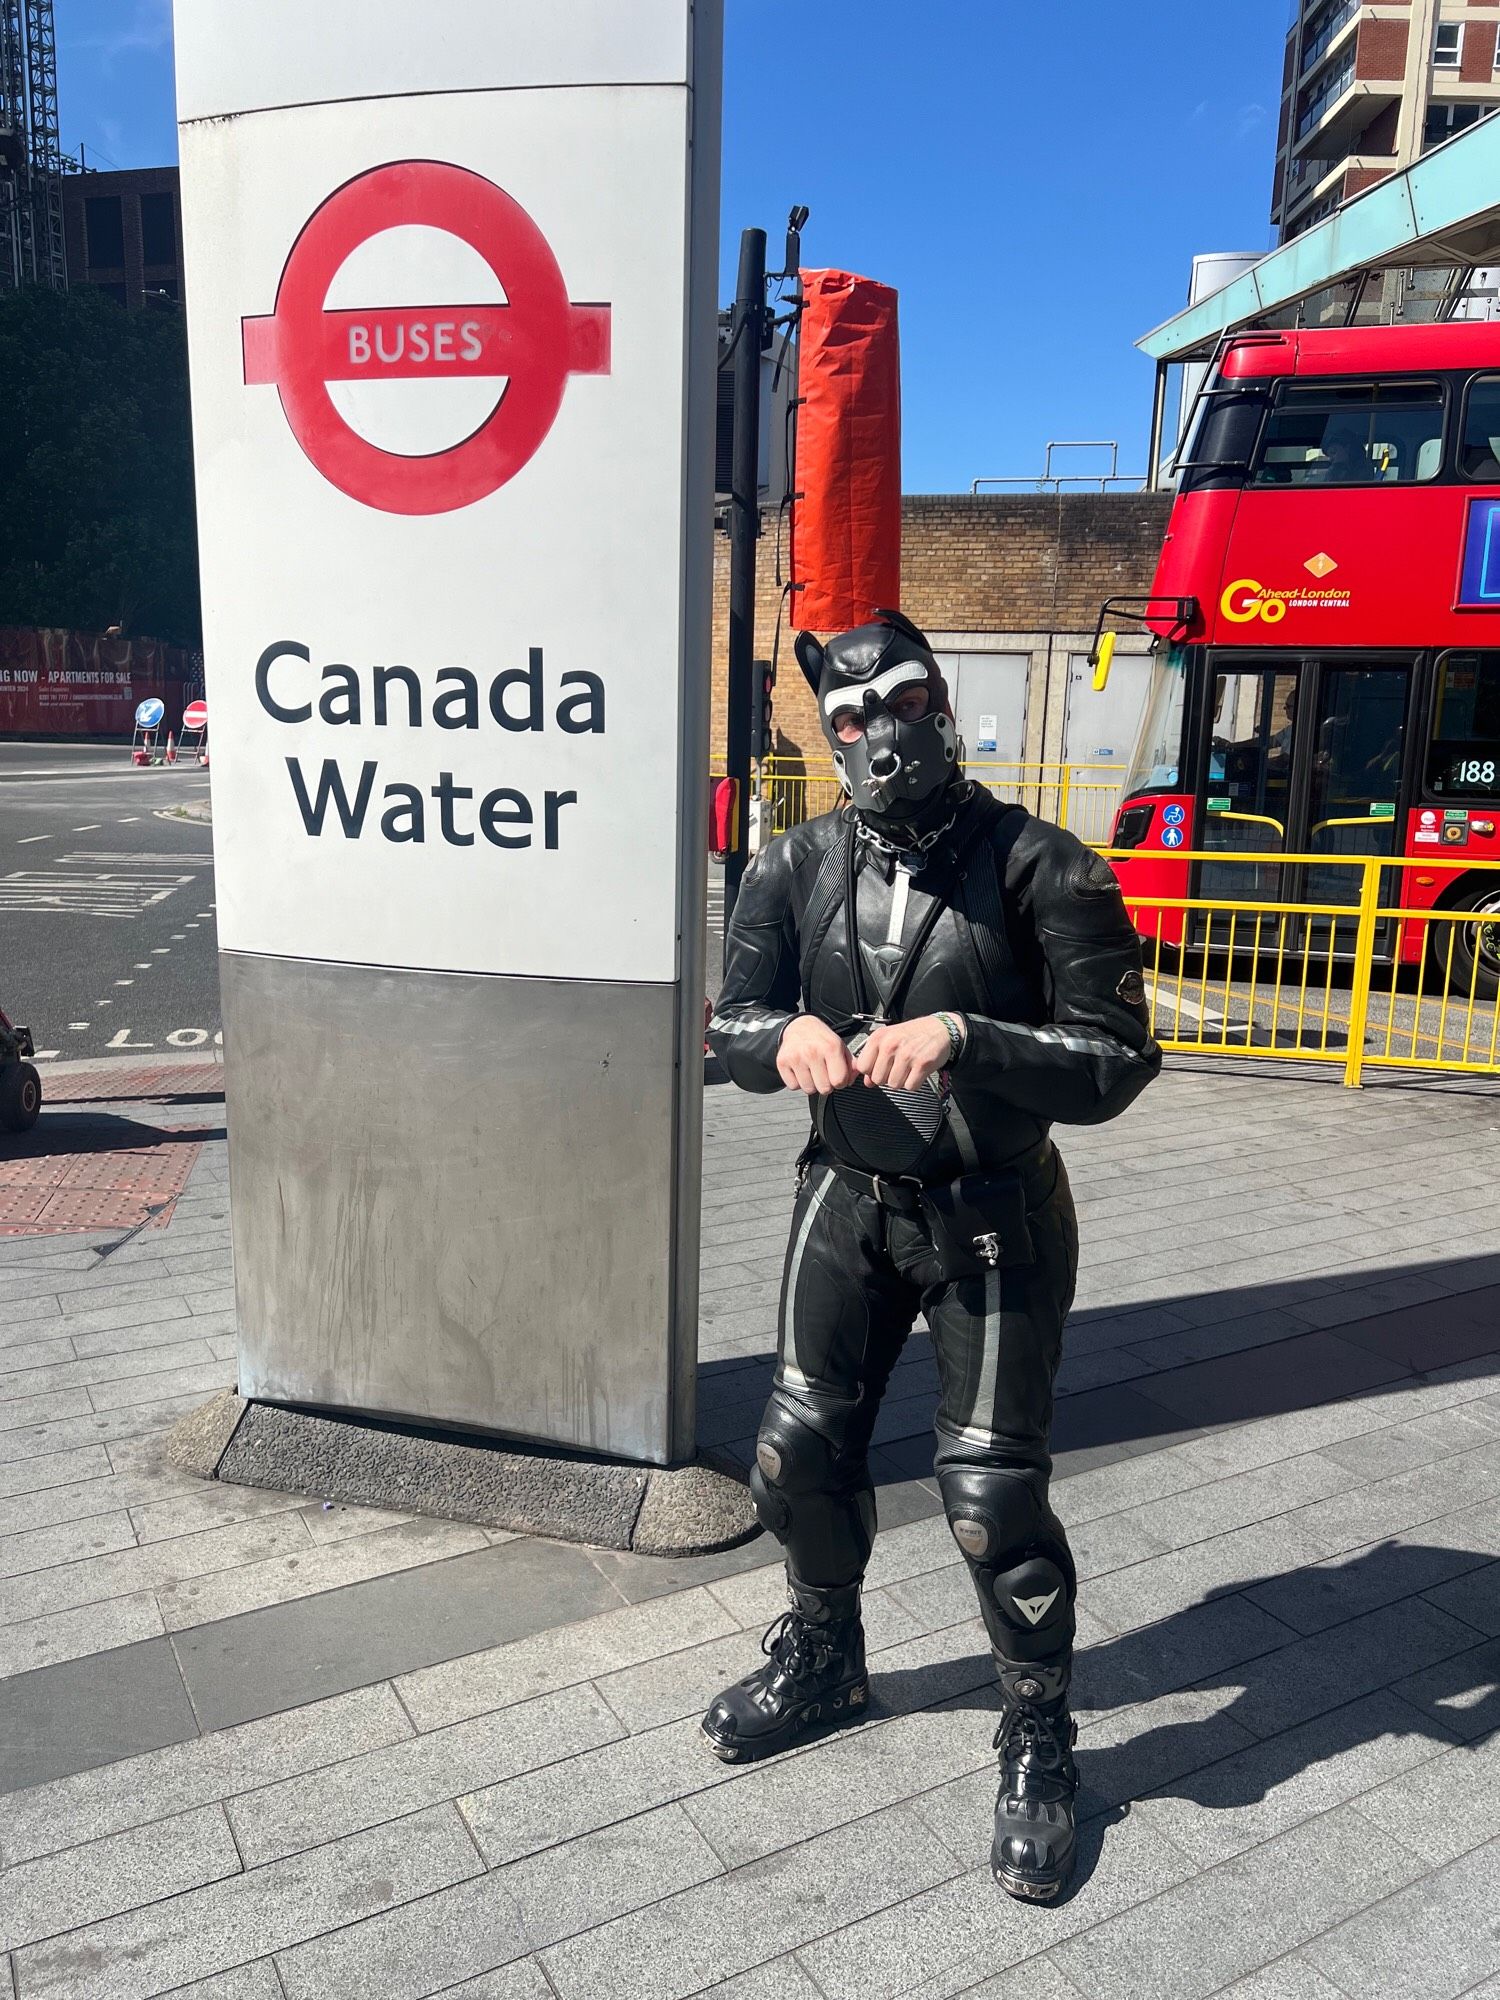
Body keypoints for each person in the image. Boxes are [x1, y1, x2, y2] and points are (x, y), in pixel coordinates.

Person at [703, 610, 1161, 1901]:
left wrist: (972, 1033)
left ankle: (1040, 1731)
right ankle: (827, 1652)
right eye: (847, 721)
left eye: (898, 705)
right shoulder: (791, 864)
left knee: (990, 1497)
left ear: (940, 703)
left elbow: (1121, 1058)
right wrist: (772, 1035)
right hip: (846, 1195)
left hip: (993, 1214)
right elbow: (726, 1019)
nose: (877, 738)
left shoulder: (1043, 868)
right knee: (794, 1452)